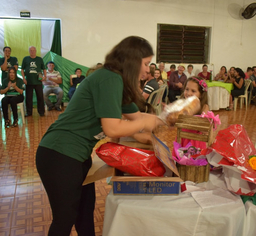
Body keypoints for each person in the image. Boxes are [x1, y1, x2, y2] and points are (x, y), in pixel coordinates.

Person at [36, 36, 164, 236]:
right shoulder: (109, 77)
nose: (149, 70)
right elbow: (113, 128)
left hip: (77, 155)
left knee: (85, 214)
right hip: (59, 154)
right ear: (132, 60)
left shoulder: (118, 82)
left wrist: (166, 117)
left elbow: (137, 116)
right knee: (65, 218)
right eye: (146, 63)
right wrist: (144, 124)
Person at [179, 76, 209, 149]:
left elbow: (205, 131)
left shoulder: (204, 107)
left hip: (196, 142)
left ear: (201, 94)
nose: (188, 93)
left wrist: (191, 112)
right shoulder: (182, 104)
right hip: (182, 140)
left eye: (193, 91)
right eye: (187, 89)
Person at [21, 46, 46, 117]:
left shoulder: (39, 59)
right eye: (31, 50)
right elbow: (22, 69)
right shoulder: (25, 59)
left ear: (36, 51)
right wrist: (23, 78)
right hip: (28, 82)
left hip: (38, 82)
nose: (32, 51)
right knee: (28, 98)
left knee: (40, 97)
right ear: (29, 51)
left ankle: (41, 112)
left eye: (33, 50)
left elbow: (44, 69)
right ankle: (29, 112)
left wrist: (45, 76)